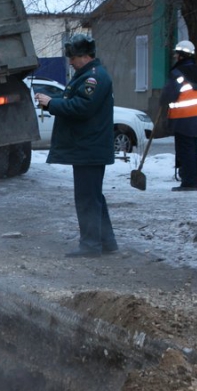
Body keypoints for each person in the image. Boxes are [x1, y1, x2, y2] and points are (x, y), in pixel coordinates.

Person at [35, 33, 118, 258]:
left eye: (73, 57)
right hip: (88, 146)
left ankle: (91, 245)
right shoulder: (88, 75)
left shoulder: (94, 77)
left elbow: (82, 107)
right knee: (94, 197)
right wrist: (55, 101)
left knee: (87, 199)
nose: (70, 61)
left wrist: (52, 103)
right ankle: (107, 242)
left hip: (88, 148)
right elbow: (77, 101)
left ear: (84, 56)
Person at [159, 40, 197, 192]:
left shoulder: (178, 73)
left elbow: (168, 95)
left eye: (177, 54)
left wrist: (162, 101)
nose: (174, 56)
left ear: (181, 56)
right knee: (192, 150)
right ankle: (195, 181)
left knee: (185, 151)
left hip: (183, 118)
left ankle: (189, 183)